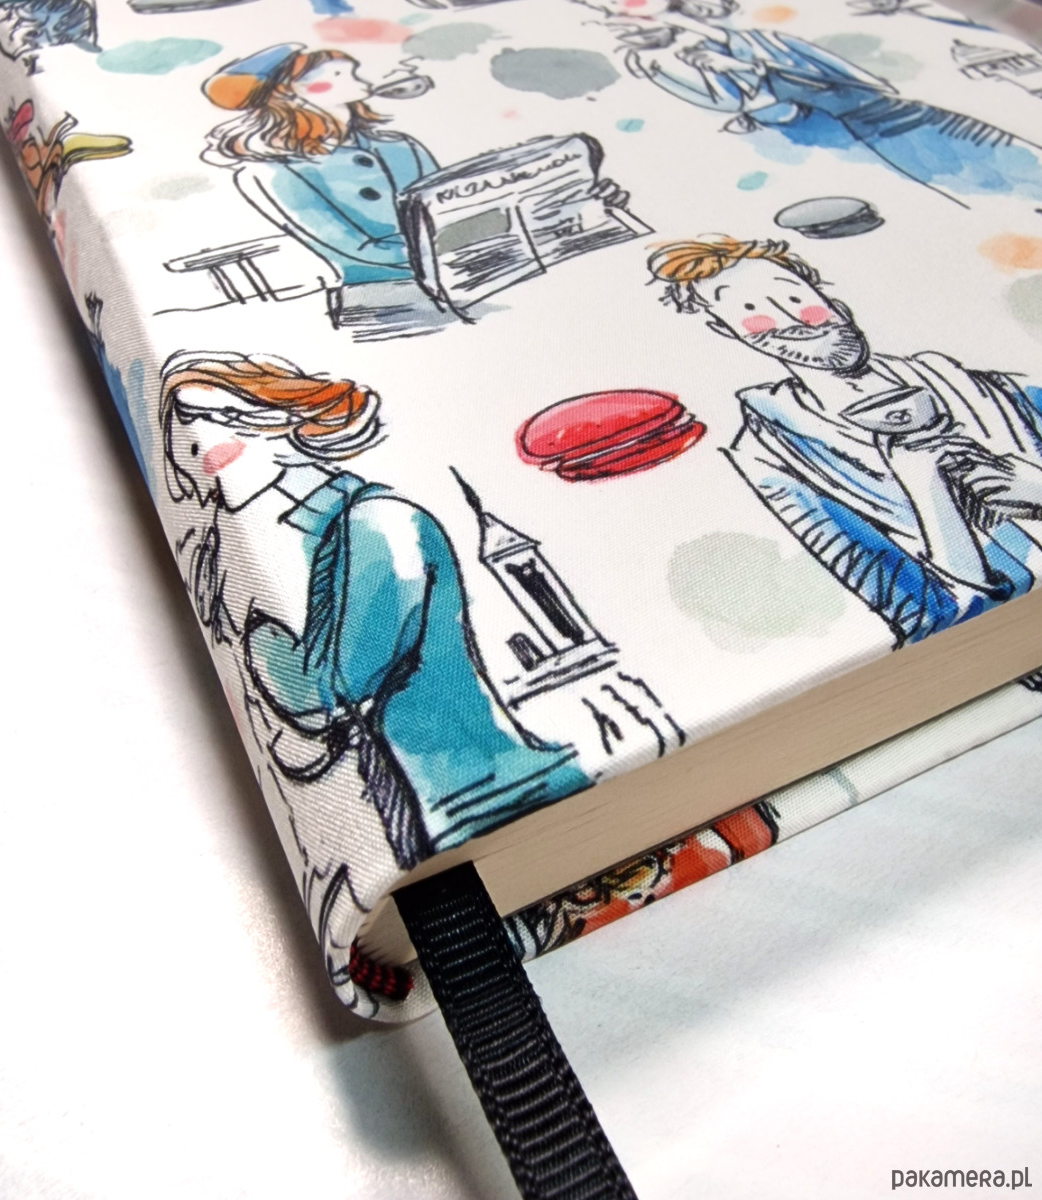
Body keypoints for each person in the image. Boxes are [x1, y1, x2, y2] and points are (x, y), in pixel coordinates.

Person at [160, 351, 587, 869]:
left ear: (281, 416)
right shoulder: (307, 534)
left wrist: (249, 623)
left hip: (493, 797)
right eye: (184, 434)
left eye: (222, 416)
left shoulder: (380, 521)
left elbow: (323, 692)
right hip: (432, 809)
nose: (201, 441)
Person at [647, 236, 1042, 645]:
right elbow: (915, 615)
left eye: (795, 297)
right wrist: (931, 497)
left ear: (830, 298)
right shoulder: (773, 457)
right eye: (752, 311)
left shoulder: (969, 383)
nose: (795, 319)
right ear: (727, 330)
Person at [571, 0, 1042, 205]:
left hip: (888, 116)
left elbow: (826, 75)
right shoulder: (686, 58)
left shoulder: (755, 41)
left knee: (1002, 165)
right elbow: (738, 100)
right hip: (851, 131)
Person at [201, 44, 439, 286]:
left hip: (451, 267)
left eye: (351, 71)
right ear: (288, 92)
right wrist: (433, 255)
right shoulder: (273, 171)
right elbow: (344, 243)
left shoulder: (400, 145)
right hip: (384, 290)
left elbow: (446, 206)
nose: (358, 80)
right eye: (337, 74)